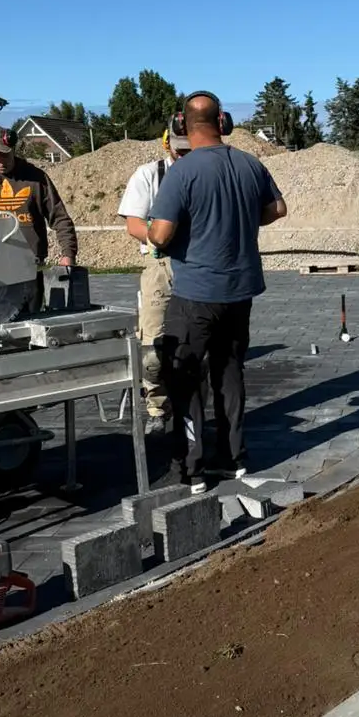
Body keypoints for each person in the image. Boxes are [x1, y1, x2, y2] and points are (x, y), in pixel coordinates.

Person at [147, 91, 287, 492]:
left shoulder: (182, 172)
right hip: (239, 292)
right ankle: (232, 459)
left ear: (182, 126)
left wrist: (153, 233)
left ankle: (191, 469)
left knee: (185, 377)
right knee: (229, 372)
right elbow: (278, 209)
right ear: (222, 122)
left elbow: (161, 233)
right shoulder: (250, 164)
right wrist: (241, 222)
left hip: (195, 294)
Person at [117, 128, 190, 424]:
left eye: (189, 147)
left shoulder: (204, 173)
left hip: (197, 264)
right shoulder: (149, 175)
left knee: (196, 340)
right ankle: (157, 407)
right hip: (161, 266)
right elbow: (133, 224)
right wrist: (156, 238)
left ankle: (191, 407)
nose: (183, 152)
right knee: (153, 347)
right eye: (178, 147)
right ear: (166, 144)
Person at [0, 126, 77, 311]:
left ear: (13, 150)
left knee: (31, 326)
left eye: (4, 155)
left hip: (30, 268)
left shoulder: (36, 178)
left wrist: (68, 254)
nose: (0, 162)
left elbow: (60, 218)